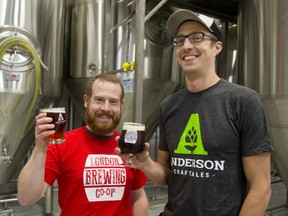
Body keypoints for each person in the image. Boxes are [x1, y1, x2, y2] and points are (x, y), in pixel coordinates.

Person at [116, 9, 273, 216]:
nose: (187, 46)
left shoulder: (243, 101)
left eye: (197, 38)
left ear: (217, 47)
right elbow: (167, 176)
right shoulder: (169, 105)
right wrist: (145, 163)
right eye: (180, 40)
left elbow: (261, 188)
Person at [17, 73, 148, 216]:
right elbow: (25, 199)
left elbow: (138, 195)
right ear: (86, 101)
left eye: (113, 101)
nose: (106, 108)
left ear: (121, 105)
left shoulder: (129, 146)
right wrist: (40, 149)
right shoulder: (61, 144)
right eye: (99, 100)